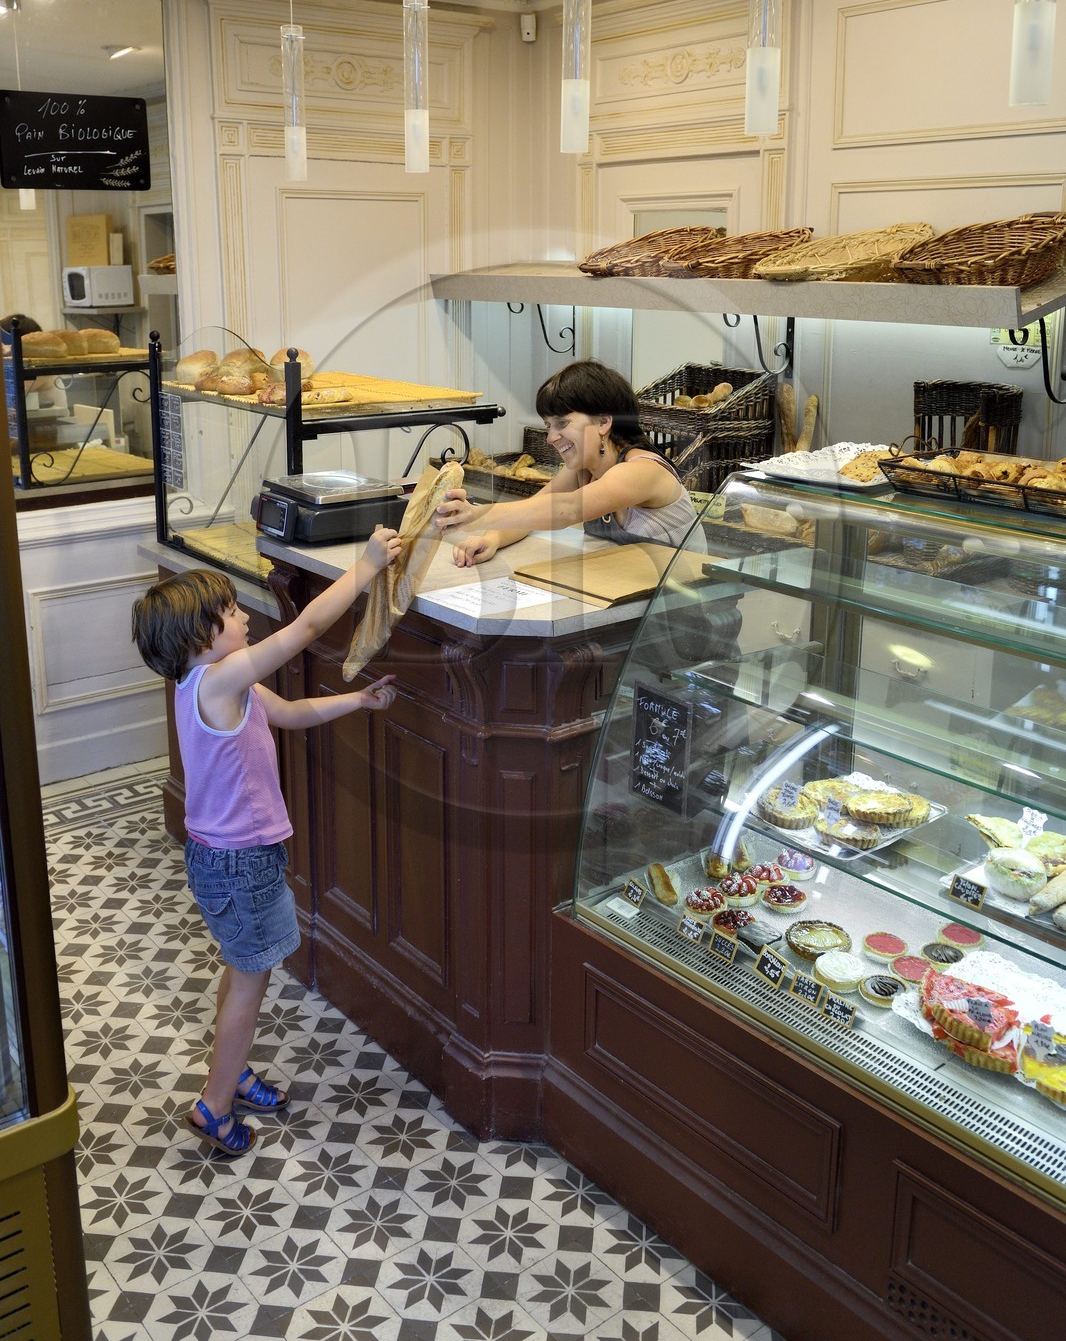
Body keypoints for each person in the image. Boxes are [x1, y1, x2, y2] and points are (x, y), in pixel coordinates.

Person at [131, 535, 402, 1156]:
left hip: (228, 858)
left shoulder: (218, 686)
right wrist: (367, 566)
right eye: (230, 613)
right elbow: (305, 627)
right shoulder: (217, 682)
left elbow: (292, 712)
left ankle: (233, 1073)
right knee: (251, 981)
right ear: (201, 639)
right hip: (239, 863)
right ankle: (215, 1106)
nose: (245, 616)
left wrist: (358, 700)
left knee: (241, 966)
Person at [435, 359, 707, 564]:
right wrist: (491, 538)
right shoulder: (584, 469)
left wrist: (478, 514)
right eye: (548, 425)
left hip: (689, 619)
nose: (551, 437)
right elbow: (537, 510)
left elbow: (568, 509)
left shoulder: (643, 471)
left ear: (603, 422)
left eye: (562, 423)